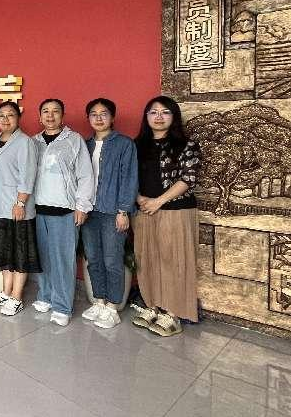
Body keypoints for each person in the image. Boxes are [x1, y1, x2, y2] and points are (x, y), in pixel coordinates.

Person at [131, 96, 201, 337]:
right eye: (153, 112)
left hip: (176, 210)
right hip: (143, 210)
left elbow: (188, 178)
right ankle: (152, 305)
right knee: (147, 259)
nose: (158, 117)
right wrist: (139, 198)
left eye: (165, 112)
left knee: (174, 261)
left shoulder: (186, 145)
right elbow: (128, 176)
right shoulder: (137, 145)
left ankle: (173, 313)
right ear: (146, 117)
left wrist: (159, 201)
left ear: (174, 116)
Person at [31, 99, 93, 327]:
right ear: (40, 117)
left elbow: (85, 175)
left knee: (63, 260)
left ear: (62, 115)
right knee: (43, 257)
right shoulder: (34, 142)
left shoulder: (74, 140)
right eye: (45, 111)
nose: (50, 115)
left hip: (65, 210)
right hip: (38, 210)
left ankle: (62, 305)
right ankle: (46, 295)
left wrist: (82, 206)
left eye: (55, 111)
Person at [80, 98, 138, 329]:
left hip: (113, 211)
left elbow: (129, 179)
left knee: (112, 260)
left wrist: (123, 210)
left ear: (112, 117)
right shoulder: (84, 145)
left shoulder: (124, 144)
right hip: (89, 211)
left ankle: (113, 307)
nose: (98, 118)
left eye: (103, 114)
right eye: (93, 114)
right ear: (88, 118)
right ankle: (99, 302)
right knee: (93, 258)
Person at [0, 101, 40, 316]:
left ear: (18, 118)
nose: (5, 119)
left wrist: (21, 203)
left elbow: (28, 175)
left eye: (11, 115)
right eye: (1, 116)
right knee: (4, 251)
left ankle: (17, 297)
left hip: (16, 207)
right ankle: (6, 292)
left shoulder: (25, 142)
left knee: (18, 253)